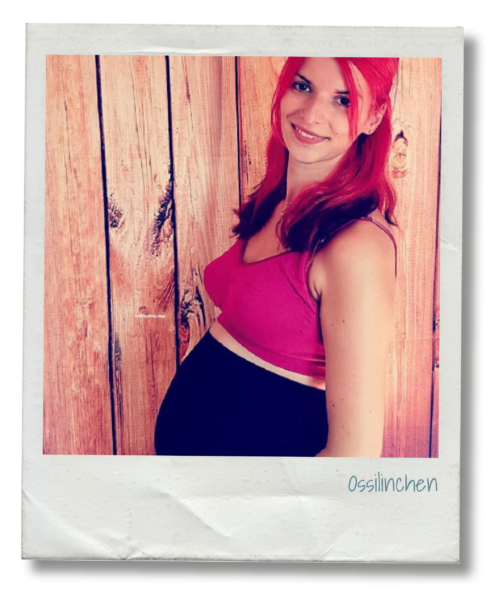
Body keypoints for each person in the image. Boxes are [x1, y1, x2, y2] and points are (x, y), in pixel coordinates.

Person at [154, 56, 399, 458]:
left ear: (374, 116)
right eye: (302, 86)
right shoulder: (278, 203)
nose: (311, 113)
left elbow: (353, 456)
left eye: (343, 100)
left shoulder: (357, 247)